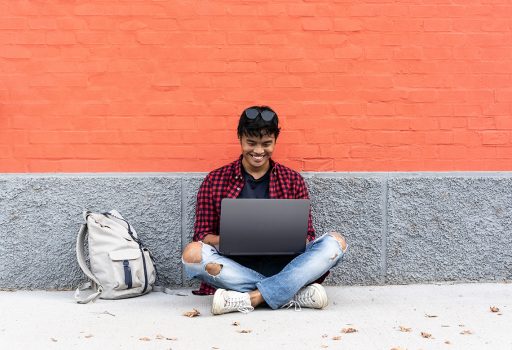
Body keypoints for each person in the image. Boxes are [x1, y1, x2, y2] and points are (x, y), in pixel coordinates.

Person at [181, 105, 348, 315]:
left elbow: (308, 237)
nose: (259, 151)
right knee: (192, 254)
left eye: (266, 144)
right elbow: (201, 236)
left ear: (275, 141)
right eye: (251, 143)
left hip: (284, 266)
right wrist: (234, 239)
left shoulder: (292, 180)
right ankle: (291, 293)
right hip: (234, 269)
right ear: (240, 138)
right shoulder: (215, 180)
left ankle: (252, 297)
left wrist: (284, 238)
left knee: (336, 243)